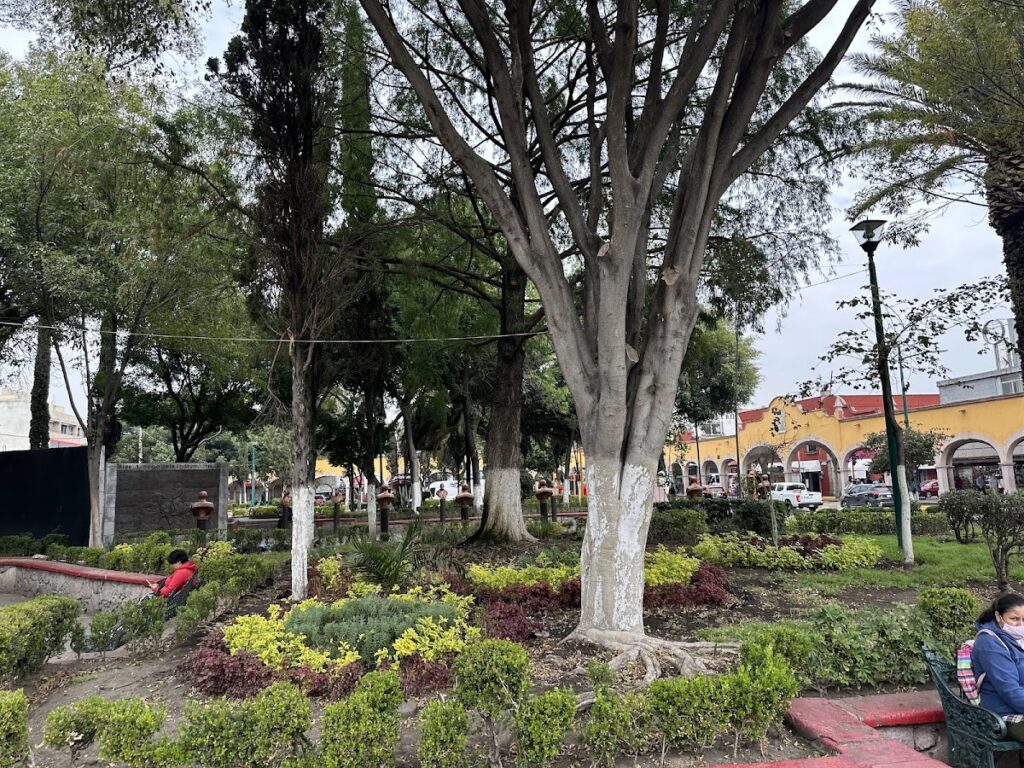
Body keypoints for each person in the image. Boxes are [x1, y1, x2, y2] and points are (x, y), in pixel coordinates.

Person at [971, 593, 1024, 740]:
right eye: (1014, 619)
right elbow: (1009, 690)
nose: (1020, 625)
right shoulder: (989, 642)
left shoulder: (1019, 639)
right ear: (998, 616)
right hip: (1004, 714)